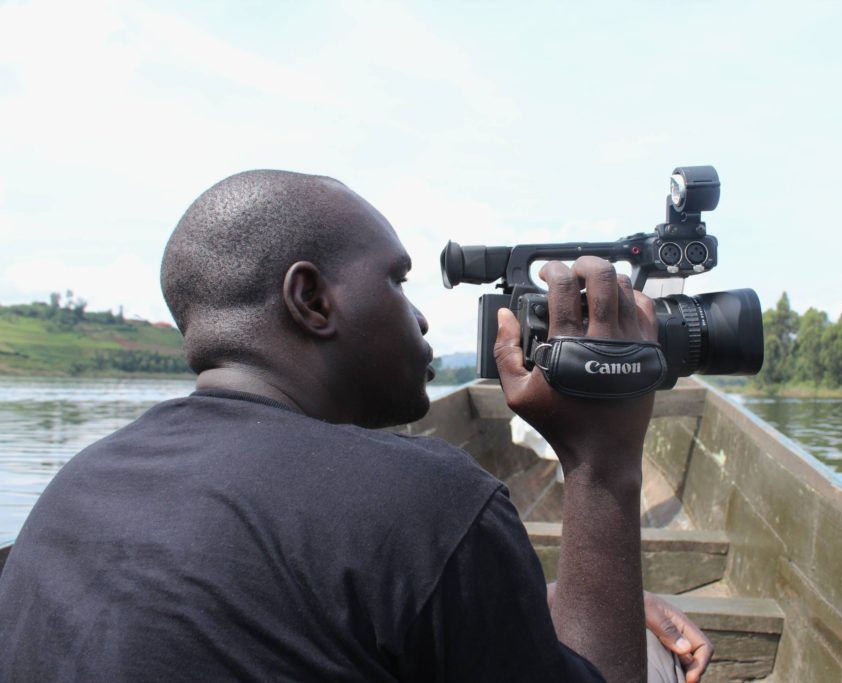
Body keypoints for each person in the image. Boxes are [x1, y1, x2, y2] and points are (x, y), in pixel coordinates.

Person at [0, 170, 712, 682]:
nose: (423, 316)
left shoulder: (74, 488)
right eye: (397, 281)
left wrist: (544, 600)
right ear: (310, 298)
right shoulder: (427, 504)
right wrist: (603, 461)